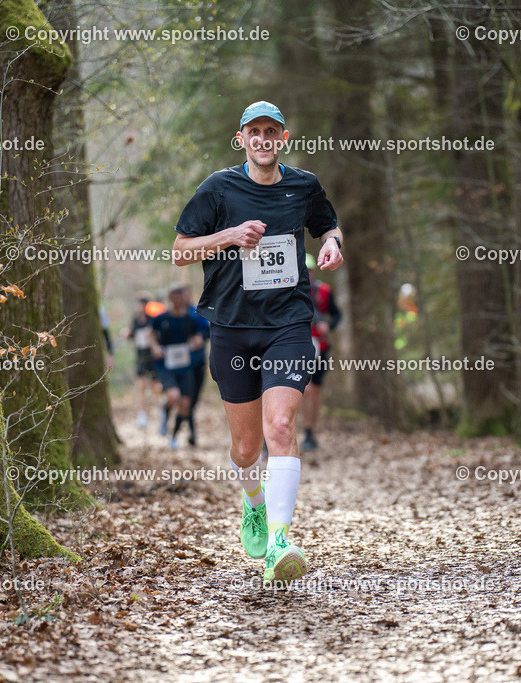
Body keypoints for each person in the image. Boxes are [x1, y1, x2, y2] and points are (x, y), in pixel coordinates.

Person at [172, 101, 343, 584]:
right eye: (255, 132)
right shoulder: (217, 188)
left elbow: (327, 225)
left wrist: (332, 242)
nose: (263, 139)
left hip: (288, 324)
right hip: (231, 326)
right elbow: (181, 251)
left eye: (272, 132)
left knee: (281, 427)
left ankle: (280, 538)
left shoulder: (304, 185)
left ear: (283, 138)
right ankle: (253, 502)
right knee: (247, 447)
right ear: (242, 139)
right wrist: (229, 235)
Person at [150, 285, 204, 449]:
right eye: (173, 296)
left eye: (179, 296)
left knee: (186, 404)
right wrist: (155, 348)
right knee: (174, 396)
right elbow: (150, 333)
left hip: (186, 366)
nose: (177, 300)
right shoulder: (161, 318)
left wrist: (196, 342)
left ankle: (174, 436)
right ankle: (164, 413)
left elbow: (199, 336)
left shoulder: (191, 318)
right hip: (165, 365)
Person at [301, 253, 341, 451]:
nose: (307, 274)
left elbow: (337, 314)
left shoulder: (324, 290)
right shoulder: (289, 290)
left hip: (320, 345)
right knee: (301, 390)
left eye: (310, 270)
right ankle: (281, 432)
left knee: (314, 391)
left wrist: (329, 325)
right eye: (304, 270)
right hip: (295, 344)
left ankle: (310, 433)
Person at [183, 286, 211, 446]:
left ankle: (191, 434)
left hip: (197, 364)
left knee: (192, 400)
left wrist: (201, 336)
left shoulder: (198, 312)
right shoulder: (169, 316)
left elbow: (209, 330)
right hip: (179, 367)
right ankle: (189, 433)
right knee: (184, 399)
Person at [124, 295, 155, 428]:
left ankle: (160, 411)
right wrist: (126, 334)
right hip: (140, 356)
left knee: (155, 386)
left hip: (153, 357)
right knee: (140, 386)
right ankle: (142, 415)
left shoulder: (153, 320)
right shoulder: (136, 320)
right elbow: (132, 334)